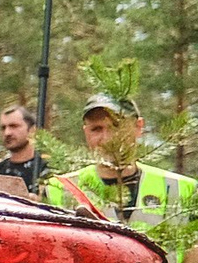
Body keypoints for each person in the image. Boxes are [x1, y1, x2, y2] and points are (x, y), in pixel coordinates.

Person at [44, 92, 196, 230]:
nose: (107, 139)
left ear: (138, 127)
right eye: (96, 129)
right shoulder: (59, 189)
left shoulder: (183, 189)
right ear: (86, 132)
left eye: (116, 127)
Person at [0, 101, 50, 192]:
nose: (7, 133)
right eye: (3, 128)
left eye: (14, 126)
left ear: (31, 130)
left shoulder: (48, 170)